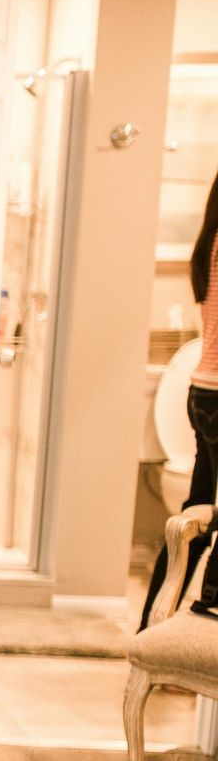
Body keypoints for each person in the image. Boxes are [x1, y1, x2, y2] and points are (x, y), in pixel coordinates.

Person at [142, 168, 218, 626]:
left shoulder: (209, 244)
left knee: (194, 518)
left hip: (204, 389)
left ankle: (154, 625)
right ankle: (208, 606)